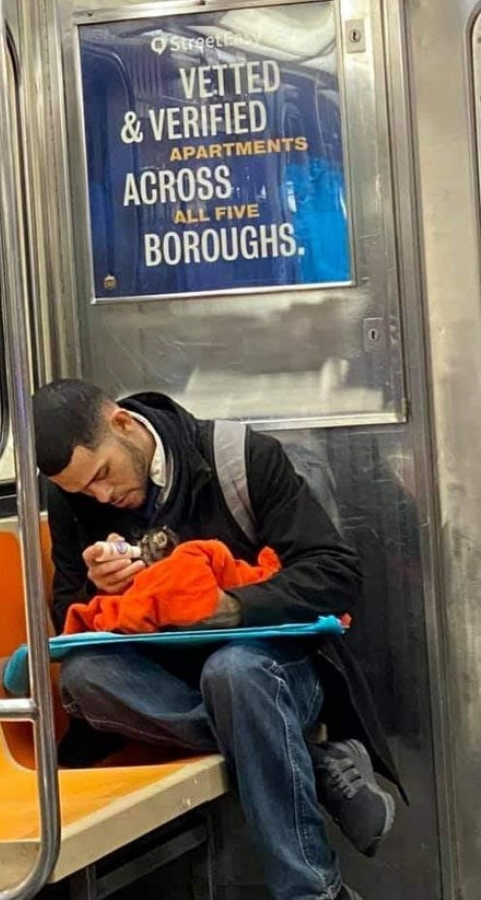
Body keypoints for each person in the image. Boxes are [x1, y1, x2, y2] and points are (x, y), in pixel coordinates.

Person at [33, 378, 402, 900]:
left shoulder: (240, 458)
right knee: (86, 677)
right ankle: (317, 765)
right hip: (166, 684)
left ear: (122, 423)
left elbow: (335, 572)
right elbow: (68, 615)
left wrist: (232, 607)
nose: (102, 496)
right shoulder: (75, 499)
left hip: (275, 668)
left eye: (103, 475)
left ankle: (310, 890)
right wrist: (98, 590)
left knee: (234, 672)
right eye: (83, 491)